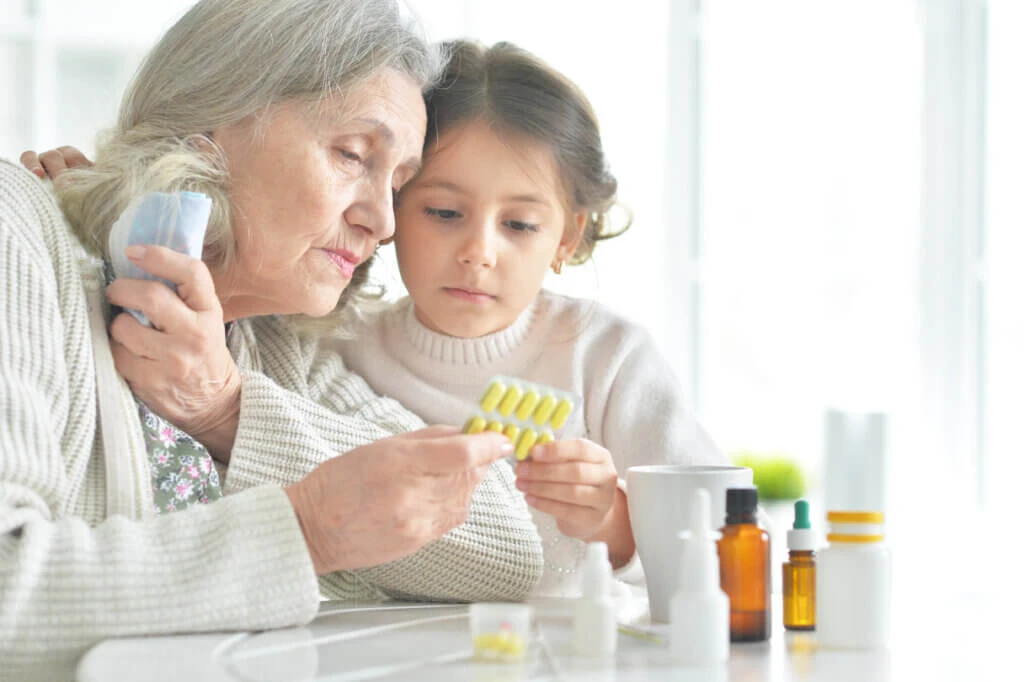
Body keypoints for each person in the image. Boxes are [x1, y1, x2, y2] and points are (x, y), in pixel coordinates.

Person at [0, 3, 544, 680]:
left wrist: (228, 411)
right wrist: (306, 529)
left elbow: (506, 549)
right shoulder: (17, 232)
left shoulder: (271, 345)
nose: (383, 221)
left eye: (399, 184)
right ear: (210, 118)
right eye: (352, 155)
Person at [333, 40, 729, 596]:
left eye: (518, 225)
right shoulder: (342, 349)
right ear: (392, 202)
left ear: (566, 237)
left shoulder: (606, 357)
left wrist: (615, 525)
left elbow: (730, 549)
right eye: (443, 212)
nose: (479, 252)